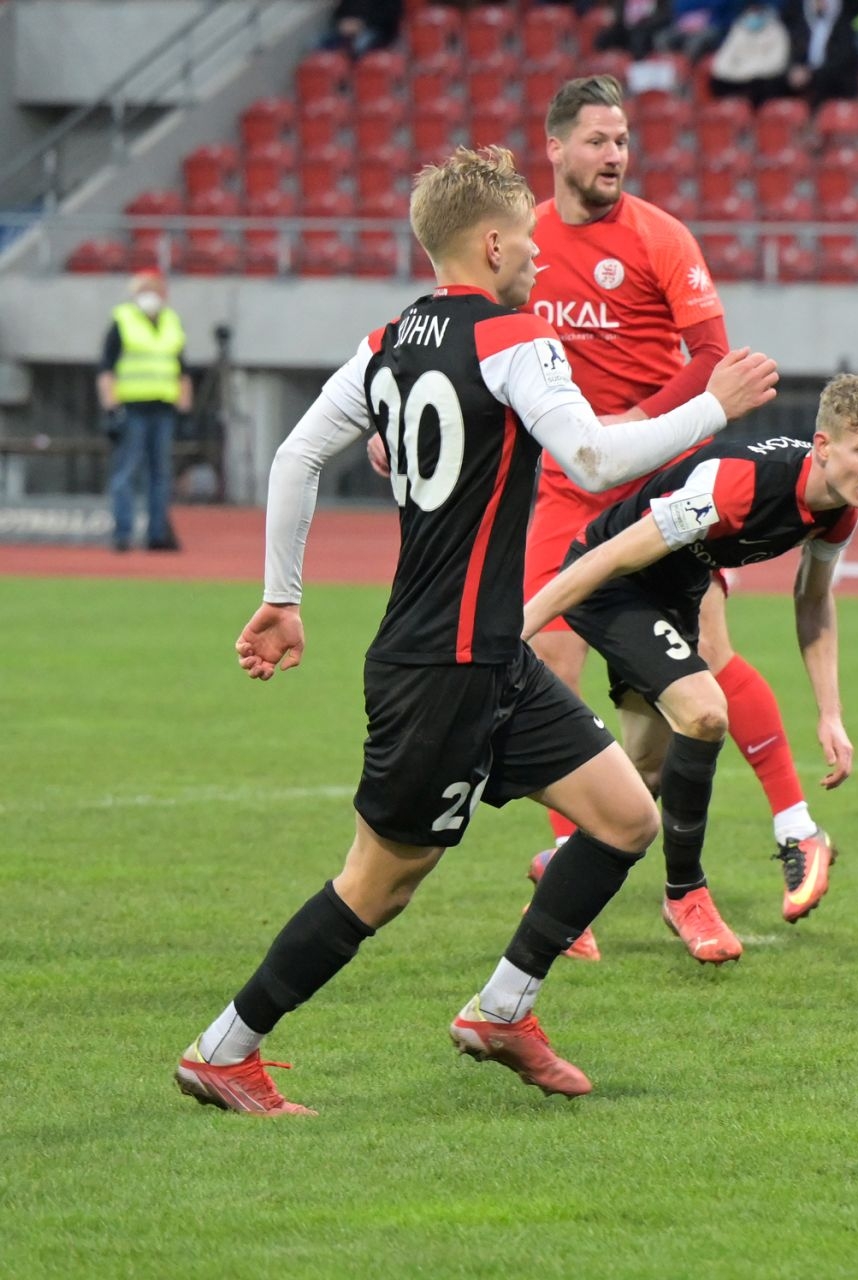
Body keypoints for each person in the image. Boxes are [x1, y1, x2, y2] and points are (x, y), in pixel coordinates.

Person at [173, 145, 778, 1115]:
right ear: (492, 245)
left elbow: (295, 455)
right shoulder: (514, 336)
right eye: (529, 239)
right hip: (443, 666)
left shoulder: (386, 341)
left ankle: (503, 1010)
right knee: (380, 883)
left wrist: (283, 595)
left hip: (486, 653)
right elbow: (591, 455)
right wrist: (713, 405)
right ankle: (224, 1049)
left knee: (624, 817)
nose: (540, 255)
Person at [371, 76, 840, 958]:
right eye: (597, 140)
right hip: (556, 485)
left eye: (622, 140)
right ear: (554, 148)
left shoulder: (661, 237)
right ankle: (569, 865)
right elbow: (465, 344)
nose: (615, 155)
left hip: (657, 478)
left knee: (706, 665)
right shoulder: (518, 242)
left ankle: (793, 826)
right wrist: (398, 414)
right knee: (548, 663)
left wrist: (637, 419)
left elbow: (710, 355)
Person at [520, 377, 858, 961]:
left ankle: (560, 875)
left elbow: (813, 601)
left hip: (674, 596)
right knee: (705, 713)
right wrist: (513, 635)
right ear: (823, 446)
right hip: (614, 587)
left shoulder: (839, 510)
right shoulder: (734, 487)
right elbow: (608, 555)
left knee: (646, 774)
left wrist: (830, 714)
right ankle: (686, 895)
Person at [98, 270, 191, 553]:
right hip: (132, 408)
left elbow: (181, 370)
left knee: (160, 474)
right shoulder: (123, 320)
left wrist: (185, 409)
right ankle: (122, 533)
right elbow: (107, 369)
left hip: (163, 408)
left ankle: (157, 534)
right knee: (126, 471)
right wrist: (111, 408)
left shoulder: (171, 322)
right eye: (144, 290)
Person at [709, 3, 794, 106]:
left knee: (767, 84)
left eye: (757, 13)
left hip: (763, 78)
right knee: (717, 81)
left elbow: (777, 62)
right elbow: (722, 61)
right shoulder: (738, 30)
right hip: (738, 76)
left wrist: (749, 70)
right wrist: (737, 72)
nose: (753, 17)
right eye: (751, 13)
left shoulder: (776, 30)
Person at [785, 0, 858, 106]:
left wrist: (811, 73)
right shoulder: (802, 22)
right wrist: (795, 68)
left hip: (836, 80)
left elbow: (842, 59)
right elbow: (795, 50)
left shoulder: (843, 25)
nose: (820, 3)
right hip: (808, 75)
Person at [319, 0, 401, 56]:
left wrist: (362, 24)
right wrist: (342, 22)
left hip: (376, 30)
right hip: (347, 29)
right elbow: (338, 13)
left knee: (359, 44)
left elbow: (389, 17)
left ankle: (356, 74)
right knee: (321, 42)